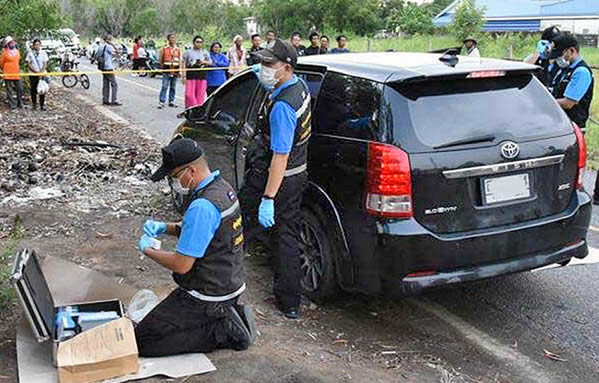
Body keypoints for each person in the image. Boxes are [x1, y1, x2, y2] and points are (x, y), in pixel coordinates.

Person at [136, 138, 257, 356]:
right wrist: (165, 227)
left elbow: (181, 265)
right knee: (154, 326)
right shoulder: (221, 188)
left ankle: (222, 330)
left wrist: (148, 250)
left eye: (173, 177)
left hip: (207, 296)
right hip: (228, 282)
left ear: (190, 171)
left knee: (143, 340)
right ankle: (224, 314)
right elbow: (202, 231)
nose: (173, 183)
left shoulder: (202, 206)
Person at [240, 39, 311, 319]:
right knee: (287, 235)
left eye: (269, 64)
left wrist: (268, 198)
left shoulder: (283, 106)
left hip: (277, 179)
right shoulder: (297, 86)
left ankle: (215, 284)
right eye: (262, 63)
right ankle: (290, 302)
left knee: (239, 228)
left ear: (287, 67)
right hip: (297, 174)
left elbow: (279, 156)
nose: (263, 68)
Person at [545, 34, 595, 202]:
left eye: (560, 55)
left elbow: (569, 103)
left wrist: (543, 102)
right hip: (556, 125)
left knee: (568, 170)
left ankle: (569, 200)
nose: (557, 59)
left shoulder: (581, 72)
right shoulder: (563, 69)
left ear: (571, 51)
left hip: (572, 128)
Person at [182, 35, 211, 109]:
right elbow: (183, 63)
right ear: (193, 42)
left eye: (200, 42)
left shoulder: (205, 52)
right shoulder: (188, 52)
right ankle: (192, 108)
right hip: (191, 75)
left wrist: (203, 62)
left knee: (200, 95)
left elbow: (210, 62)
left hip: (201, 75)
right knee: (189, 94)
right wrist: (183, 75)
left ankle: (197, 110)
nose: (199, 44)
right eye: (197, 42)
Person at [159, 33, 182, 109]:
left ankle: (171, 101)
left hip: (175, 69)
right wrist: (163, 68)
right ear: (168, 39)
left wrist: (180, 71)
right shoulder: (164, 49)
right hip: (166, 69)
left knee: (173, 86)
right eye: (171, 38)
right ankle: (162, 101)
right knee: (164, 86)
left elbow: (180, 60)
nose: (173, 39)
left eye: (174, 38)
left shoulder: (178, 49)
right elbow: (161, 59)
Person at [98, 34, 121, 106]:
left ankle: (105, 99)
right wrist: (113, 45)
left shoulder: (100, 46)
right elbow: (117, 53)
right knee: (114, 84)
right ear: (109, 40)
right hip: (108, 67)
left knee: (105, 83)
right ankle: (114, 100)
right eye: (111, 40)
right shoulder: (108, 47)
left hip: (102, 67)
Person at [25, 39, 49, 111]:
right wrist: (36, 72)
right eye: (36, 45)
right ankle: (34, 105)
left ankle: (42, 105)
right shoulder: (30, 53)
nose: (37, 46)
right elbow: (28, 64)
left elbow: (45, 63)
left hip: (42, 74)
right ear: (33, 45)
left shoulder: (43, 53)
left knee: (42, 89)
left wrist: (41, 73)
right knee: (33, 89)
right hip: (32, 74)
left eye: (38, 44)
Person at [1, 36, 23, 110]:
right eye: (10, 43)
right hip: (8, 74)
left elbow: (19, 60)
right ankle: (12, 105)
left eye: (13, 42)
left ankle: (20, 103)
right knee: (9, 90)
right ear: (7, 44)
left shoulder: (17, 52)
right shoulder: (4, 53)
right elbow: (1, 63)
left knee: (19, 89)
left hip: (16, 73)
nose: (12, 44)